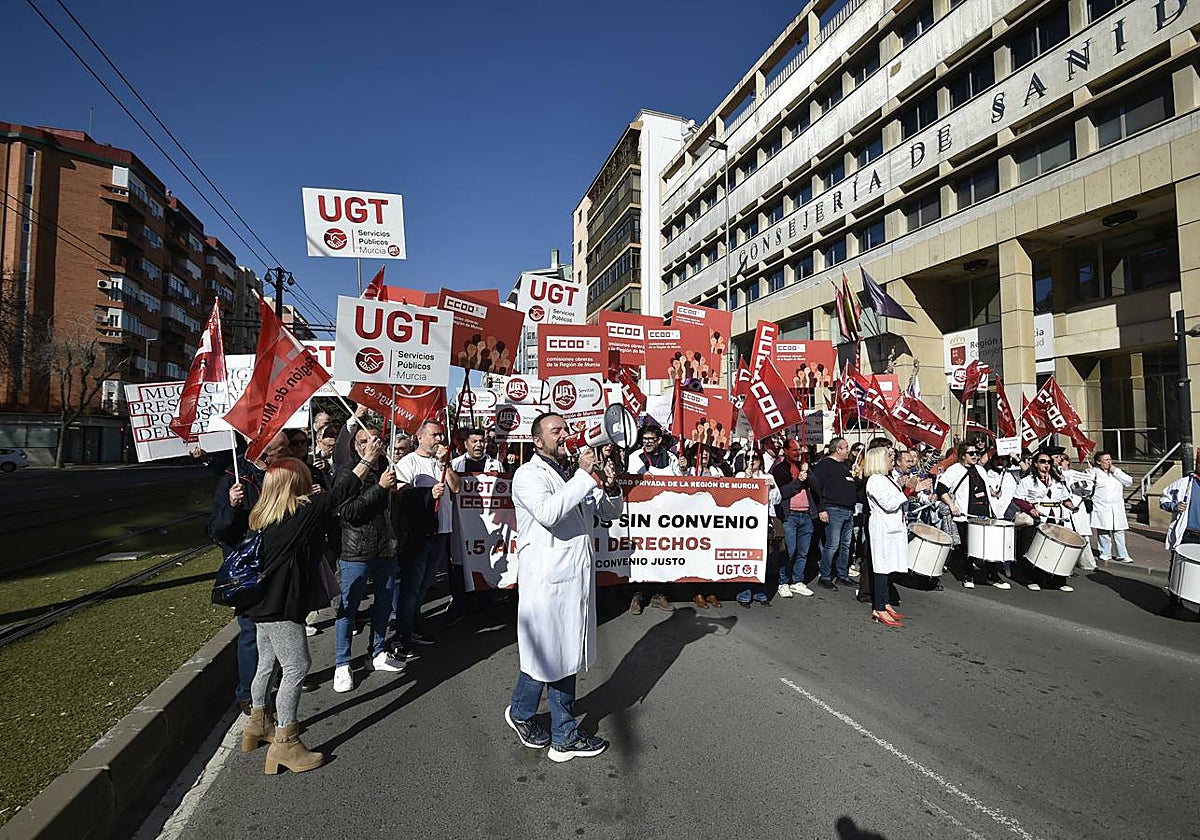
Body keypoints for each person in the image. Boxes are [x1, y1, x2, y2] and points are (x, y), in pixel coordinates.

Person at [242, 447, 389, 774]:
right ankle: (286, 742)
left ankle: (257, 723)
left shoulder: (261, 515)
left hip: (259, 604)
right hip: (281, 606)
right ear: (295, 484)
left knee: (267, 663)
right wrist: (366, 460)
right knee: (296, 666)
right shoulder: (300, 512)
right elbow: (341, 494)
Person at [504, 412, 623, 762]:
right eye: (556, 431)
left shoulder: (571, 474)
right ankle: (565, 734)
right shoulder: (528, 475)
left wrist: (610, 485)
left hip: (575, 578)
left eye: (565, 429)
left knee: (556, 653)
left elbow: (609, 512)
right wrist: (586, 476)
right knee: (557, 655)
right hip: (547, 579)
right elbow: (550, 512)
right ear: (538, 441)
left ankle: (522, 713)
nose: (565, 435)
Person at [209, 431, 292, 715]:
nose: (288, 454)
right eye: (282, 450)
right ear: (265, 453)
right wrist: (232, 507)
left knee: (280, 627)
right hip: (248, 570)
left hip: (278, 564)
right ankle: (247, 693)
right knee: (250, 631)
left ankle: (278, 679)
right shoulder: (233, 480)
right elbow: (217, 531)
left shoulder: (285, 475)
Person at [332, 426, 407, 693]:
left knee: (383, 604)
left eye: (374, 440)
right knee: (348, 608)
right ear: (355, 446)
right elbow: (349, 511)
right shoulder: (347, 472)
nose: (369, 445)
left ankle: (376, 651)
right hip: (357, 551)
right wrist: (380, 488)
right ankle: (342, 663)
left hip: (386, 549)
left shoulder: (387, 467)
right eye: (363, 441)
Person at [392, 420, 461, 661]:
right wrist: (427, 494)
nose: (439, 439)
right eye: (434, 435)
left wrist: (446, 464)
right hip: (419, 534)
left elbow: (457, 487)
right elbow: (400, 494)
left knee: (423, 586)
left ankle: (415, 625)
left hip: (441, 531)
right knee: (410, 588)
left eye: (441, 435)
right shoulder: (408, 462)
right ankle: (402, 636)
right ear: (419, 438)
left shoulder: (441, 462)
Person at [447, 428, 504, 622]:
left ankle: (486, 605)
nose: (479, 445)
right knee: (459, 564)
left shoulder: (495, 464)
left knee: (486, 562)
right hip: (463, 523)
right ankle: (460, 604)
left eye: (482, 441)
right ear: (466, 444)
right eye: (475, 441)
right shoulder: (455, 464)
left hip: (488, 523)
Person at [936, 441, 1006, 589]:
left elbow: (984, 488)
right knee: (968, 548)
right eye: (971, 453)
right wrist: (952, 505)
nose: (975, 456)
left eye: (977, 453)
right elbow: (941, 489)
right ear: (962, 456)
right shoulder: (954, 470)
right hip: (966, 516)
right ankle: (968, 575)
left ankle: (993, 575)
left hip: (985, 515)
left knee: (990, 546)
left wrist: (993, 493)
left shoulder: (980, 470)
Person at [624, 426, 676, 614]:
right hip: (643, 515)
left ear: (659, 440)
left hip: (664, 515)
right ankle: (638, 596)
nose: (647, 442)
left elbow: (680, 483)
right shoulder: (634, 457)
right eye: (644, 438)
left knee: (662, 554)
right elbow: (629, 482)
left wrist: (683, 470)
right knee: (641, 555)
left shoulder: (672, 458)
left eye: (651, 439)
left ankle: (658, 594)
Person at [1013, 447, 1078, 592]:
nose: (1046, 465)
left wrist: (1071, 507)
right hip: (1037, 517)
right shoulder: (1028, 480)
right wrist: (1031, 509)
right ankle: (1032, 578)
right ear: (1035, 463)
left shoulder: (1056, 481)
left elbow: (1064, 497)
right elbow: (1018, 498)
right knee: (1034, 549)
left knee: (1056, 549)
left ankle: (1058, 580)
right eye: (1042, 462)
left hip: (1055, 516)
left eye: (1048, 462)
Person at [863, 446, 908, 627]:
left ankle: (886, 602)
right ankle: (879, 607)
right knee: (882, 566)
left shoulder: (887, 479)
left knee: (891, 565)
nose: (892, 459)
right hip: (882, 529)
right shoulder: (874, 480)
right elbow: (889, 504)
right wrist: (909, 491)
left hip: (894, 528)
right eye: (889, 456)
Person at [807, 437, 856, 590]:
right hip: (833, 509)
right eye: (845, 447)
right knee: (832, 545)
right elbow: (816, 488)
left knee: (845, 545)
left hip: (848, 510)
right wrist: (822, 508)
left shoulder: (845, 466)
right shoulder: (825, 465)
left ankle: (842, 574)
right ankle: (825, 576)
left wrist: (858, 478)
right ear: (838, 450)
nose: (847, 450)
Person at [769, 439, 815, 598]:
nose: (798, 453)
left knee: (803, 552)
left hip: (806, 515)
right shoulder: (780, 470)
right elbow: (782, 494)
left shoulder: (805, 467)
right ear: (786, 451)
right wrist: (798, 481)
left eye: (799, 450)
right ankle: (783, 581)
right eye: (794, 450)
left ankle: (798, 580)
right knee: (789, 550)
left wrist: (808, 473)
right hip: (790, 516)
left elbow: (816, 486)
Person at [736, 451, 782, 606]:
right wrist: (746, 482)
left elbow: (777, 499)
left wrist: (773, 487)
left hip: (765, 521)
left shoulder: (768, 477)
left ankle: (760, 591)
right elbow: (735, 497)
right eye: (748, 458)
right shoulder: (740, 476)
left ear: (760, 461)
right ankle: (745, 592)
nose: (751, 461)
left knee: (764, 557)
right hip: (747, 523)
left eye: (754, 458)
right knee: (748, 556)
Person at [1159, 453, 1200, 614]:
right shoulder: (1184, 484)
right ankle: (1174, 601)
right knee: (1177, 567)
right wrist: (1174, 506)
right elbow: (1164, 499)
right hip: (1187, 533)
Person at [1087, 451, 1133, 565]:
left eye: (1110, 459)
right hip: (1102, 506)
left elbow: (1129, 482)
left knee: (1119, 531)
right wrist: (1089, 473)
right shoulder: (1094, 472)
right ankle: (1105, 553)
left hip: (1117, 506)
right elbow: (1086, 487)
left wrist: (1116, 471)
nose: (1109, 462)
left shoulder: (1116, 473)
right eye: (1106, 460)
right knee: (1104, 531)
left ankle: (1122, 554)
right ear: (1099, 462)